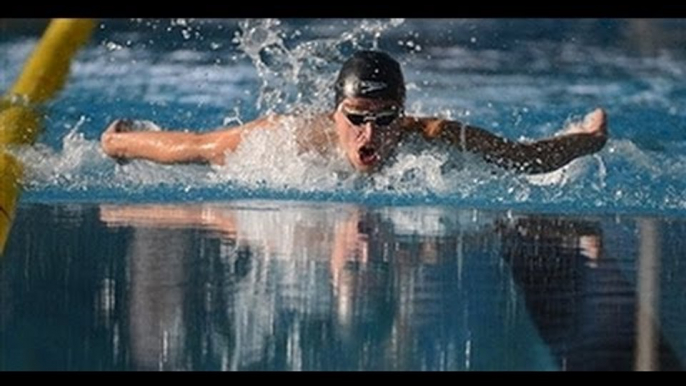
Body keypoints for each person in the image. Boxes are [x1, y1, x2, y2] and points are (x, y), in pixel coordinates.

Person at [101, 50, 608, 174]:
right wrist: (118, 143)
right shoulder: (291, 141)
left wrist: (589, 139)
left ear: (403, 116)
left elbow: (526, 159)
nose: (370, 133)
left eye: (385, 119)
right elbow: (194, 146)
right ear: (334, 113)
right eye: (356, 117)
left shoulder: (431, 137)